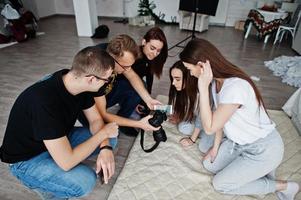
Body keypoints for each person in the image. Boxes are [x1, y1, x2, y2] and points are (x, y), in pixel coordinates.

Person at [179, 38, 300, 199]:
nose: (190, 73)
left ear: (201, 66)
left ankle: (284, 186)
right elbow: (218, 121)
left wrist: (202, 86)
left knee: (220, 184)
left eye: (189, 68)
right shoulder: (216, 84)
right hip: (237, 144)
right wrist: (215, 148)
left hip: (263, 149)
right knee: (209, 164)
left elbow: (209, 127)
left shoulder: (235, 87)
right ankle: (254, 171)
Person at [0, 47, 119, 199]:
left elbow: (95, 120)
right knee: (85, 181)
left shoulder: (75, 81)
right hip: (27, 160)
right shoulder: (44, 102)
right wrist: (103, 134)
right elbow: (66, 162)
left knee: (111, 139)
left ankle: (57, 169)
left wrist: (106, 147)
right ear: (91, 79)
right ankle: (49, 190)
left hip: (57, 138)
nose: (108, 83)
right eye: (107, 79)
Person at [78, 34, 162, 184]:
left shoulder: (111, 54)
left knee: (136, 86)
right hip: (86, 109)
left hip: (103, 95)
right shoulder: (98, 71)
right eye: (125, 66)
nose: (128, 70)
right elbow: (101, 115)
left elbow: (131, 75)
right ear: (111, 58)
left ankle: (125, 121)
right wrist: (140, 124)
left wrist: (148, 100)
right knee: (109, 139)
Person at [168, 61, 214, 152]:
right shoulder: (184, 89)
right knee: (183, 127)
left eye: (177, 79)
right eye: (172, 79)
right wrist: (156, 108)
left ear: (188, 78)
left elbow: (201, 117)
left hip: (213, 122)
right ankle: (202, 132)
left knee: (204, 147)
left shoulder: (201, 91)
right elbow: (179, 107)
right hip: (200, 118)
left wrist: (192, 139)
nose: (173, 83)